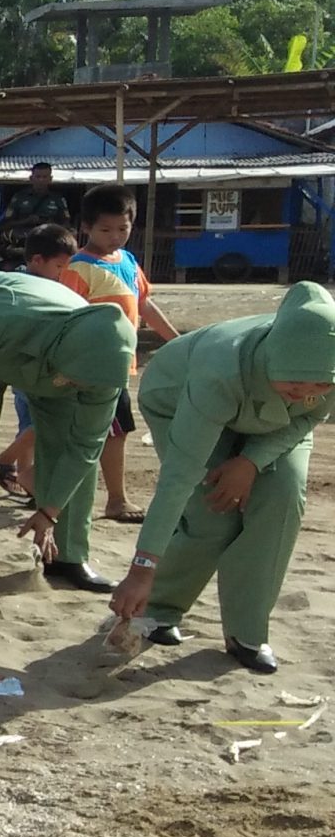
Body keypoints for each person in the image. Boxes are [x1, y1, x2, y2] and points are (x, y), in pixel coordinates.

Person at [108, 282, 335, 674]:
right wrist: (140, 569)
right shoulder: (221, 369)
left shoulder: (324, 369)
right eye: (296, 383)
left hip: (275, 427)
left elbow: (311, 414)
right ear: (272, 360)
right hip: (180, 398)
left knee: (283, 497)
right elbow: (179, 476)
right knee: (211, 507)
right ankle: (159, 607)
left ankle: (247, 633)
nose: (307, 392)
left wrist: (250, 462)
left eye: (320, 385)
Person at [0, 269, 133, 586]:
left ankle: (67, 556)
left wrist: (48, 512)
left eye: (85, 385)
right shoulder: (11, 314)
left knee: (68, 450)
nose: (80, 386)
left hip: (53, 368)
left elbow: (85, 447)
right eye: (76, 379)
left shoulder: (104, 375)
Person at [64, 185, 182, 527]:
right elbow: (67, 316)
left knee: (106, 431)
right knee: (106, 431)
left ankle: (19, 467)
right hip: (92, 368)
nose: (115, 236)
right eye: (106, 229)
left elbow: (144, 304)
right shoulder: (79, 268)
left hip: (119, 366)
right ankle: (116, 499)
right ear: (85, 227)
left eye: (123, 229)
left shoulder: (128, 262)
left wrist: (175, 340)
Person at [0, 222, 85, 501]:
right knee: (42, 420)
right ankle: (10, 465)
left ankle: (24, 477)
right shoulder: (24, 287)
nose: (64, 273)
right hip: (29, 366)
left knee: (29, 420)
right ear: (38, 260)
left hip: (26, 366)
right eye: (60, 267)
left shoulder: (39, 283)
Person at [0, 162, 69, 266]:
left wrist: (50, 225)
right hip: (21, 246)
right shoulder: (19, 197)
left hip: (47, 247)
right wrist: (26, 221)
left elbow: (66, 225)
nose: (41, 180)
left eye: (44, 177)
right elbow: (6, 224)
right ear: (31, 178)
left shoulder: (58, 199)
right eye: (38, 176)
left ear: (50, 179)